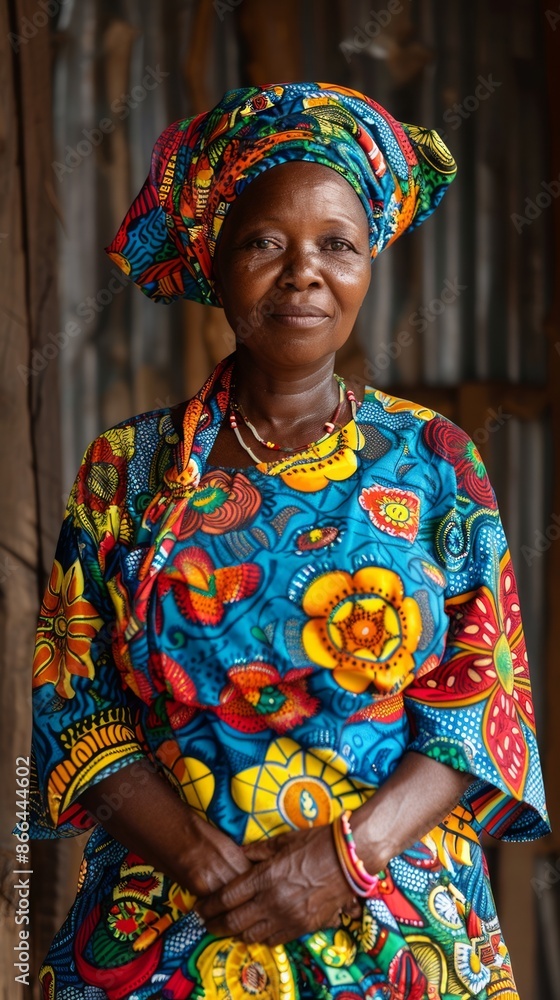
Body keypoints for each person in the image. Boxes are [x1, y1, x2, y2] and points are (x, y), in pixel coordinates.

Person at [28, 83, 548, 1000]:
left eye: (336, 245)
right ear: (216, 261)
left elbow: (483, 701)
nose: (304, 273)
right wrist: (202, 862)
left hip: (398, 932)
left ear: (369, 263)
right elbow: (75, 707)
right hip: (170, 934)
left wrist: (347, 858)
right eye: (266, 242)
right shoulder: (127, 469)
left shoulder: (435, 460)